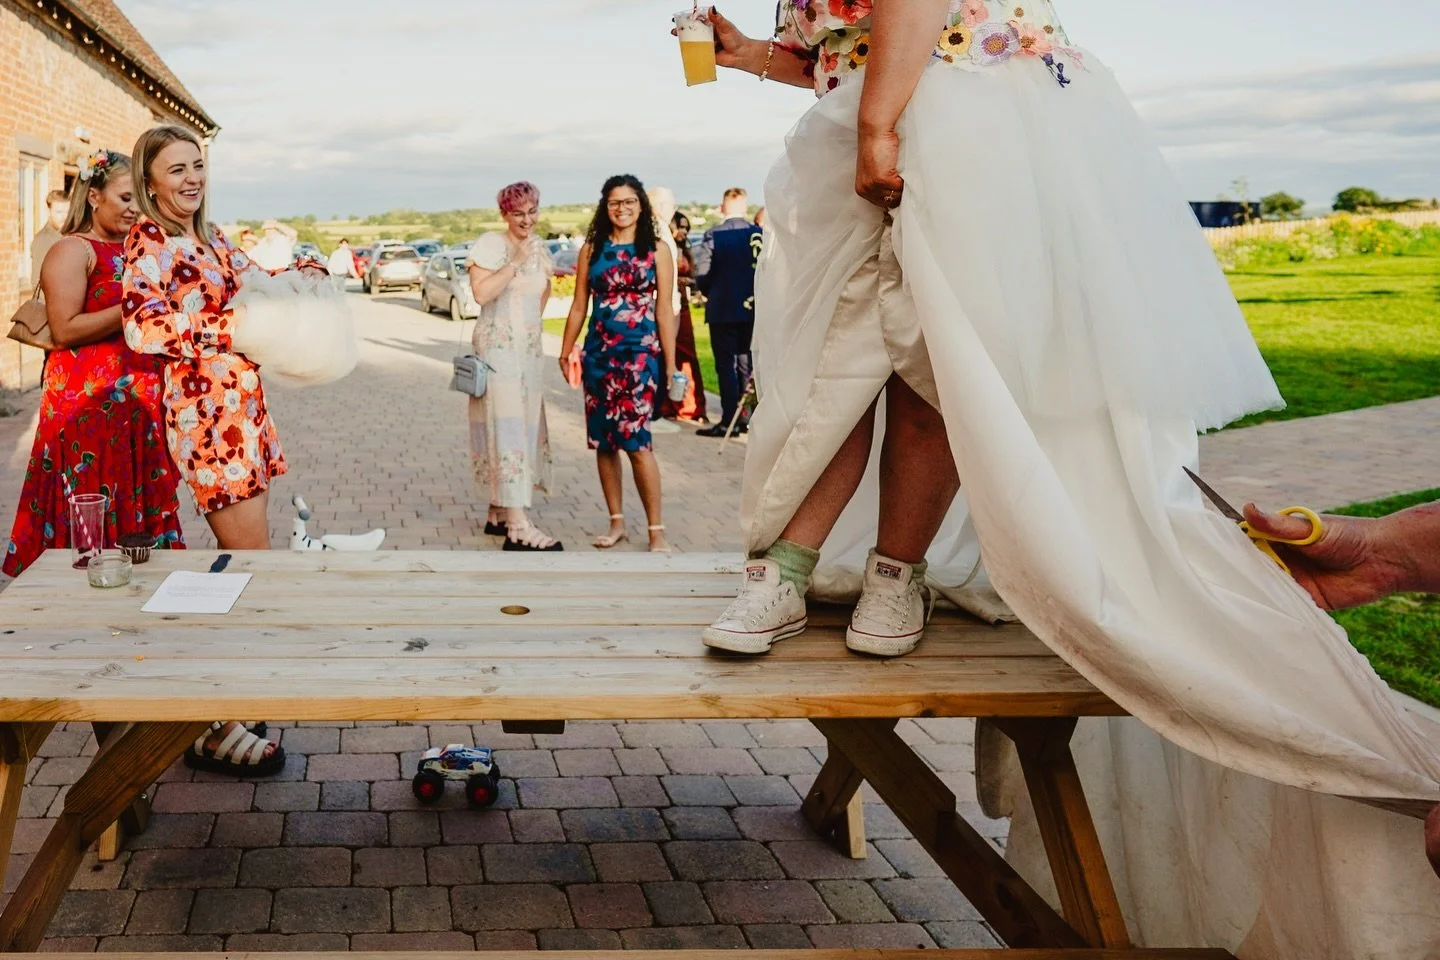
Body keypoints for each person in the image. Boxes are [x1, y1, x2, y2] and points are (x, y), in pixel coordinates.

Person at [693, 0, 1437, 823]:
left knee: (941, 357)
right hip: (884, 112)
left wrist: (878, 131)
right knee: (839, 359)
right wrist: (750, 55)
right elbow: (843, 50)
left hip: (963, 110)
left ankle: (895, 577)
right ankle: (794, 572)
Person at [122, 125, 330, 778]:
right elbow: (142, 325)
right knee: (249, 565)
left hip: (246, 412)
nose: (190, 178)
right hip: (207, 421)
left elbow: (259, 280)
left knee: (246, 562)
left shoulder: (210, 239)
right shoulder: (147, 243)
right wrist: (226, 327)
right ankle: (213, 725)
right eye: (176, 169)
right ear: (150, 180)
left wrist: (306, 274)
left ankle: (224, 702)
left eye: (198, 167)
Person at [4, 150, 184, 579]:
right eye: (125, 197)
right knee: (92, 503)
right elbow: (65, 329)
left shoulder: (137, 248)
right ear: (94, 196)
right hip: (87, 413)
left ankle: (137, 583)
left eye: (140, 198)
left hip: (136, 410)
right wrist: (135, 306)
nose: (135, 208)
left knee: (135, 501)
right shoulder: (72, 249)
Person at [559, 175, 678, 552]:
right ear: (604, 207)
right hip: (599, 355)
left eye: (629, 201)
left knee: (638, 443)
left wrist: (671, 365)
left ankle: (656, 529)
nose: (622, 208)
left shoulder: (657, 250)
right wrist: (566, 349)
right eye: (614, 202)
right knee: (605, 442)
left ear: (641, 206)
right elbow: (579, 304)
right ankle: (616, 523)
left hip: (641, 357)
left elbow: (664, 311)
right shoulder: (592, 249)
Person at [465, 181, 560, 552]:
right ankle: (518, 526)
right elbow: (481, 293)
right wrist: (516, 262)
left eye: (533, 211)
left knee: (524, 425)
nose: (527, 219)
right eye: (518, 213)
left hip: (528, 352)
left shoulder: (541, 248)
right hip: (499, 352)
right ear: (504, 214)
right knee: (507, 429)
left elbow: (544, 291)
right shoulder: (492, 244)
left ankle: (498, 511)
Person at [693, 187, 762, 437]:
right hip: (752, 307)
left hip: (722, 308)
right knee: (747, 363)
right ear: (744, 207)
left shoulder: (714, 235)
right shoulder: (757, 234)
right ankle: (744, 417)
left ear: (723, 208)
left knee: (726, 365)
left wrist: (712, 291)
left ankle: (727, 420)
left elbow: (702, 274)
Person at [661, 210, 709, 423]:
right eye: (679, 227)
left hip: (683, 304)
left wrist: (690, 283)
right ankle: (668, 404)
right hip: (667, 304)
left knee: (688, 354)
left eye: (685, 228)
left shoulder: (685, 249)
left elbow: (695, 276)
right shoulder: (664, 248)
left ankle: (691, 405)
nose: (682, 231)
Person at [29, 189, 70, 285]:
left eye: (67, 212)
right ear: (49, 211)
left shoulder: (70, 235)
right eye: (59, 212)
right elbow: (38, 283)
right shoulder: (43, 240)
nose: (64, 217)